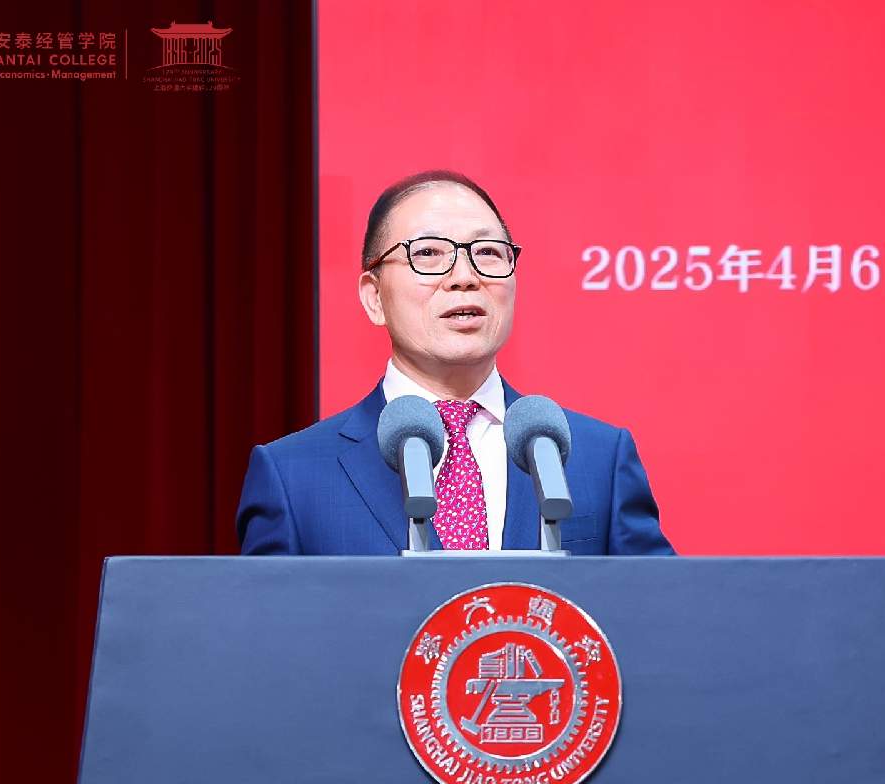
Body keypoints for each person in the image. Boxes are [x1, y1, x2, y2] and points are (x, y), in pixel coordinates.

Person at [237, 170, 673, 555]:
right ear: (374, 297)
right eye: (428, 253)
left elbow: (659, 609)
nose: (465, 277)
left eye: (487, 252)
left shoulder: (599, 458)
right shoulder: (293, 478)